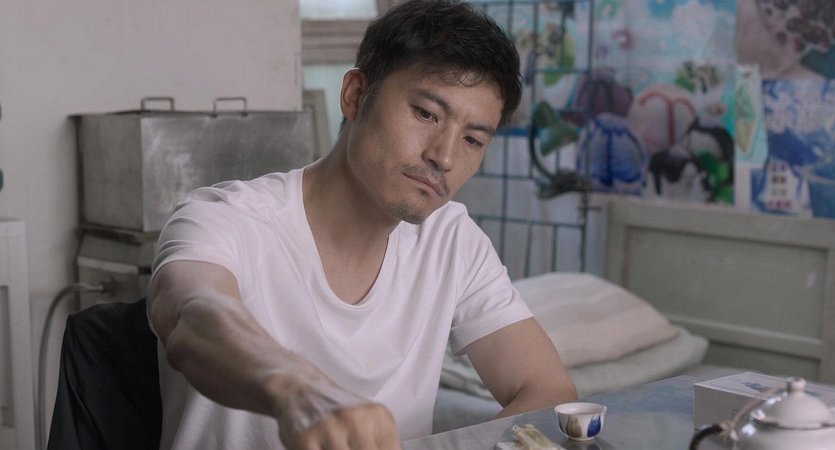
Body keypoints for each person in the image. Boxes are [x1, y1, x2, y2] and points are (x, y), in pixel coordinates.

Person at [146, 1, 578, 449]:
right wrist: (296, 388)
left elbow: (548, 390)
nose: (445, 156)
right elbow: (189, 316)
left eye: (472, 139)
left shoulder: (451, 239)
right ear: (355, 95)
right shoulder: (226, 218)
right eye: (426, 114)